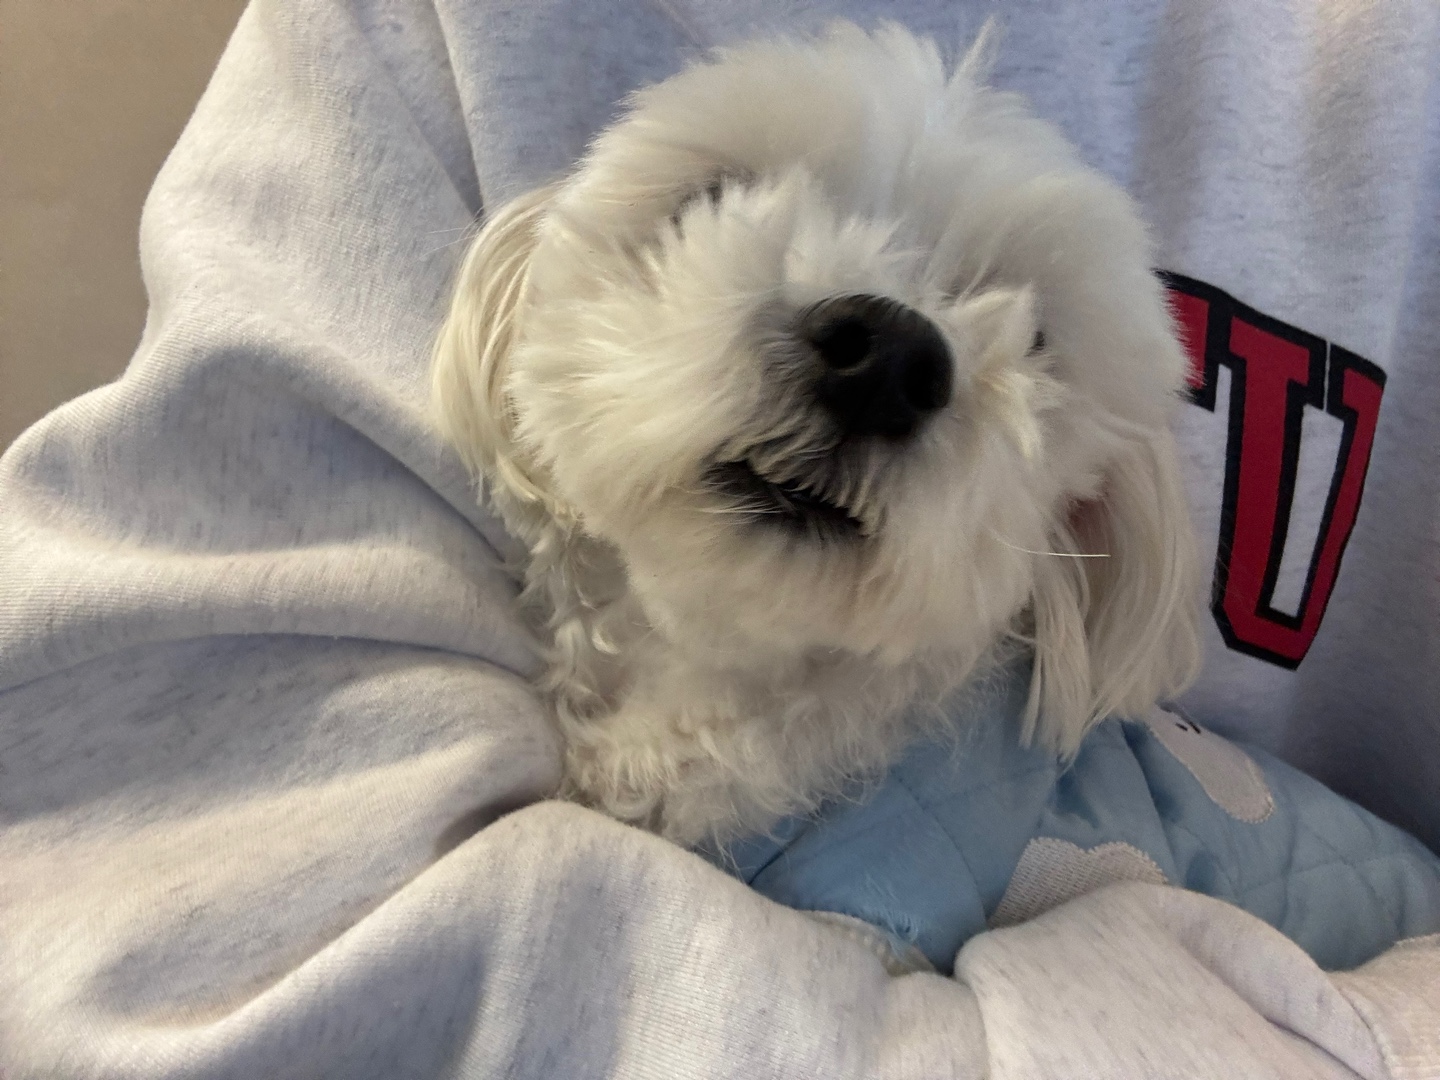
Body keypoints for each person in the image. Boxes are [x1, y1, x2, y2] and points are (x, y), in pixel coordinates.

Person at [1, 2, 1435, 1076]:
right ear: (529, 297)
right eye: (711, 204)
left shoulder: (904, 889)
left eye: (1033, 351)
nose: (878, 359)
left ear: (1082, 516)